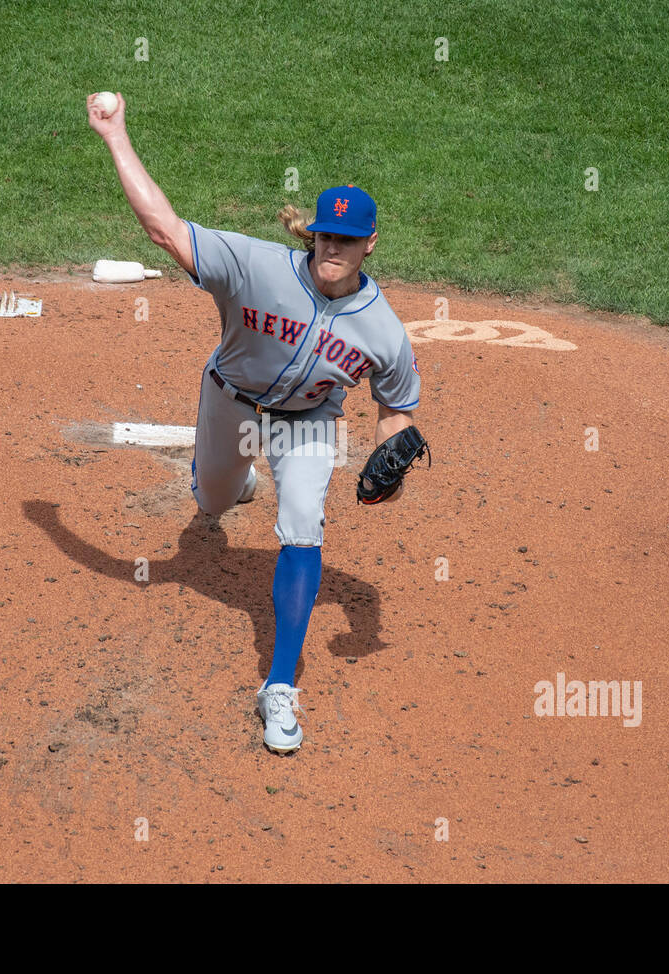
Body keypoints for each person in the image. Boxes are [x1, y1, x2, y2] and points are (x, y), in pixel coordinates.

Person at [88, 92, 421, 754]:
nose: (333, 247)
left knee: (302, 523)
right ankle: (228, 481)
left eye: (348, 241)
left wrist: (395, 460)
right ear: (313, 233)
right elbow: (166, 229)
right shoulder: (256, 267)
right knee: (211, 500)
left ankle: (279, 688)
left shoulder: (385, 332)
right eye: (326, 234)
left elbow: (397, 409)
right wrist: (115, 134)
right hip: (231, 400)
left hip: (309, 424)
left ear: (369, 245)